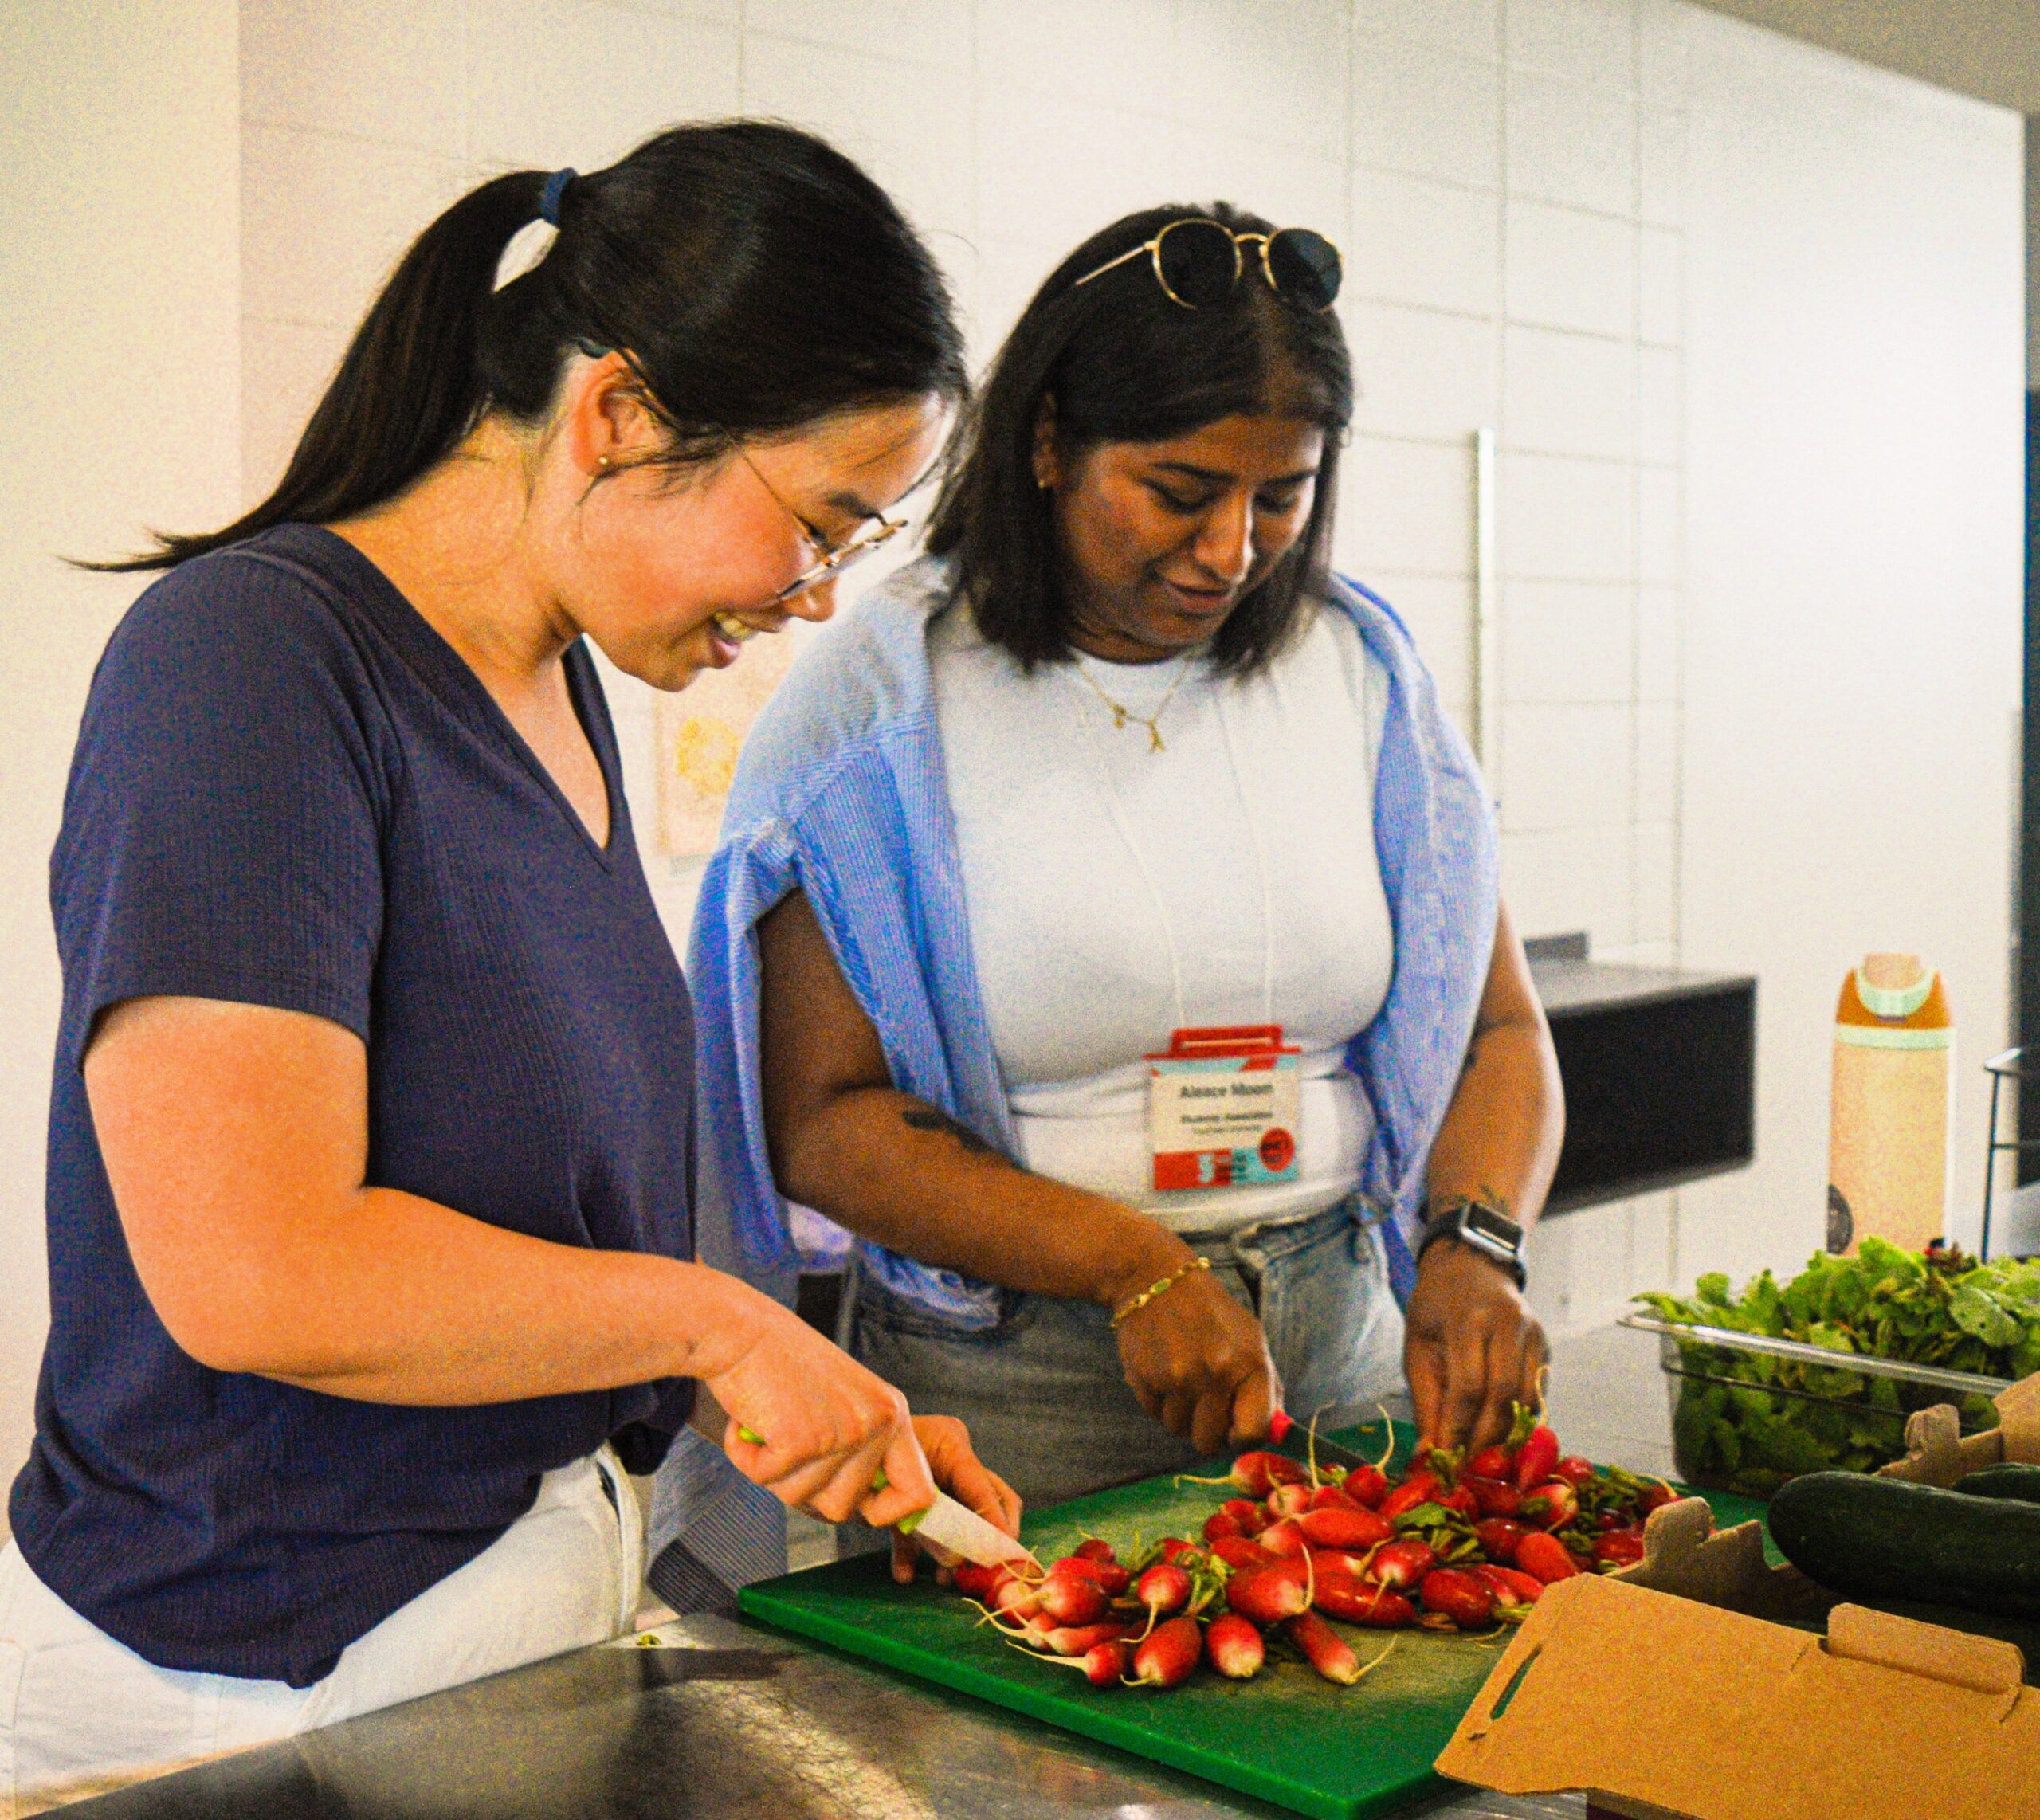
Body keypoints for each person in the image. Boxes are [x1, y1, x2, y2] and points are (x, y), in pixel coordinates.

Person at [0, 122, 1017, 1810]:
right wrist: (710, 1326)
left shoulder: (564, 690)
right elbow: (255, 1269)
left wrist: (800, 1402)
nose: (817, 596)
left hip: (506, 1631)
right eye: (818, 525)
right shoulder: (250, 660)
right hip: (257, 1684)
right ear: (617, 416)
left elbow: (525, 1237)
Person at [686, 204, 1565, 1512]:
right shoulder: (883, 712)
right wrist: (1129, 1264)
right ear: (1049, 444)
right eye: (1180, 492)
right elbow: (822, 1124)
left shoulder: (1362, 673)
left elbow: (1498, 1028)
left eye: (1285, 496)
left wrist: (1473, 1245)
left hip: (1338, 1340)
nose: (1232, 552)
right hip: (1016, 1384)